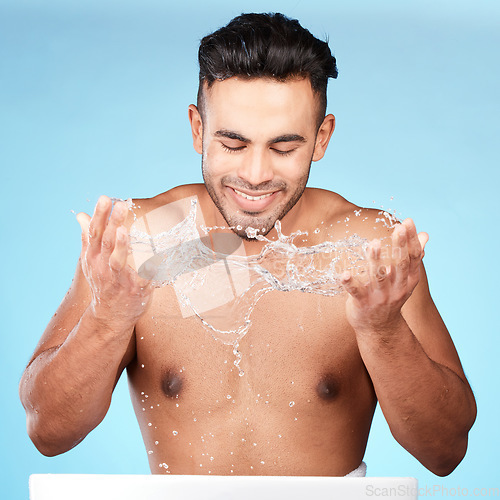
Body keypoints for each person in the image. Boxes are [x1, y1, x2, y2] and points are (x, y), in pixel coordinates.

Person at [20, 12, 476, 477]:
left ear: (321, 138)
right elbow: (47, 432)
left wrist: (383, 330)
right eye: (233, 144)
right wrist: (106, 319)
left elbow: (446, 451)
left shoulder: (369, 249)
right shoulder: (139, 240)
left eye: (283, 148)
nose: (255, 175)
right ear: (198, 130)